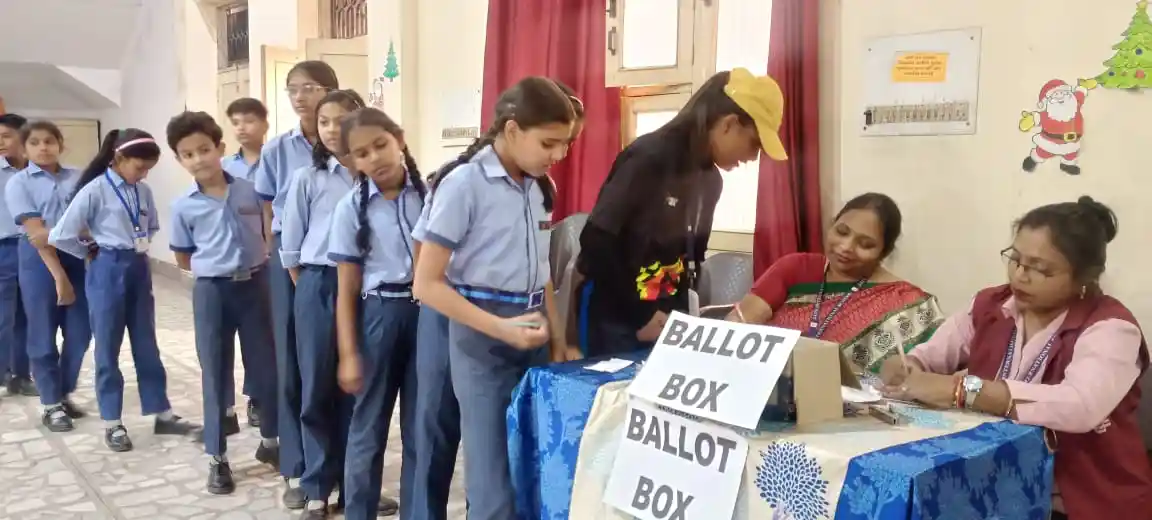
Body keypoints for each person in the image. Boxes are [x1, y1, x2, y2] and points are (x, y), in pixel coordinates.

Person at [879, 197, 1152, 519]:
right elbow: (932, 355)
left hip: (1078, 500)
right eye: (1015, 259)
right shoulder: (991, 305)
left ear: (1083, 277)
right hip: (993, 486)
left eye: (1041, 269)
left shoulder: (1111, 328)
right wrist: (909, 366)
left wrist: (962, 390)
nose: (1020, 275)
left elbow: (1080, 406)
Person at [405, 78, 584, 520]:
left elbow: (542, 273)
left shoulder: (540, 187)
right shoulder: (464, 183)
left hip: (532, 329)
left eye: (564, 144)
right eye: (548, 143)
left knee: (533, 464)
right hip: (480, 333)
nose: (559, 155)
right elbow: (426, 284)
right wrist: (500, 328)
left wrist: (557, 339)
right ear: (511, 130)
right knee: (492, 479)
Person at [575, 68, 787, 356]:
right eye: (754, 144)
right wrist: (641, 314)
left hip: (664, 319)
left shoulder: (710, 182)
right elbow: (596, 242)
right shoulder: (649, 158)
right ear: (729, 124)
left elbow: (690, 261)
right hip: (615, 318)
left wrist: (680, 317)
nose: (752, 157)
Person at [48, 128, 200, 452]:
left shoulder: (142, 191)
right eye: (139, 167)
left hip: (138, 267)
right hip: (106, 268)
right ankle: (112, 421)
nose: (143, 174)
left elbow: (152, 225)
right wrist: (89, 250)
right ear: (119, 158)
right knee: (108, 346)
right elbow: (60, 235)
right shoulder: (95, 190)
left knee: (147, 343)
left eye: (148, 169)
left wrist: (138, 242)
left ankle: (162, 413)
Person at [165, 111, 280, 494]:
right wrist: (214, 270)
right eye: (188, 154)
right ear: (180, 160)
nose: (198, 159)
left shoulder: (251, 191)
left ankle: (271, 443)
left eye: (204, 149)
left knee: (265, 368)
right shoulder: (183, 206)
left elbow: (266, 230)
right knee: (215, 372)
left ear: (220, 148)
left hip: (255, 287)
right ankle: (218, 457)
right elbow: (183, 256)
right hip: (212, 292)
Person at [329, 107, 424, 520]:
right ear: (352, 161)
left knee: (422, 427)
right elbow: (346, 289)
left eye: (381, 145)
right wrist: (349, 354)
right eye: (362, 153)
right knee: (368, 427)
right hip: (379, 317)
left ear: (399, 139)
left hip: (427, 316)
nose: (375, 158)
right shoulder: (351, 209)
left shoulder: (431, 196)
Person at [727, 193, 944, 372]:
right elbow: (737, 326)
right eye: (841, 232)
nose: (846, 247)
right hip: (772, 389)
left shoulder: (908, 303)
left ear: (883, 252)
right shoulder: (794, 268)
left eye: (865, 244)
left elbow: (925, 371)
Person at [252, 60, 337, 509]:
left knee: (337, 364)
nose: (300, 96)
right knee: (292, 361)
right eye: (293, 89)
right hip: (292, 256)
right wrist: (282, 259)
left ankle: (342, 472)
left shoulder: (349, 142)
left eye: (310, 87)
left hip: (337, 260)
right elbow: (269, 210)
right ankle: (297, 468)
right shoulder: (278, 150)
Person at [6, 121, 91, 431]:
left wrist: (74, 236)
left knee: (81, 332)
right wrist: (60, 278)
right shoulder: (19, 183)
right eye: (35, 142)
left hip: (76, 257)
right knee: (42, 331)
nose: (43, 147)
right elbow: (37, 235)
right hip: (38, 261)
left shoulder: (78, 177)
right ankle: (51, 404)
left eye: (49, 141)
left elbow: (88, 223)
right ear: (25, 148)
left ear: (60, 145)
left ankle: (63, 392)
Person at [221, 97, 271, 428]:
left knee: (260, 338)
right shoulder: (223, 167)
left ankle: (258, 396)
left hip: (265, 260)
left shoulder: (276, 161)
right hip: (228, 263)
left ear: (265, 124)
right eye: (236, 122)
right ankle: (224, 407)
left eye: (249, 120)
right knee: (223, 339)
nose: (242, 128)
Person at [0, 113, 33, 397]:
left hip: (33, 248)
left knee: (27, 316)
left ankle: (21, 376)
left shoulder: (36, 172)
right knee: (3, 317)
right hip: (4, 249)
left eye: (6, 136)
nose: (0, 142)